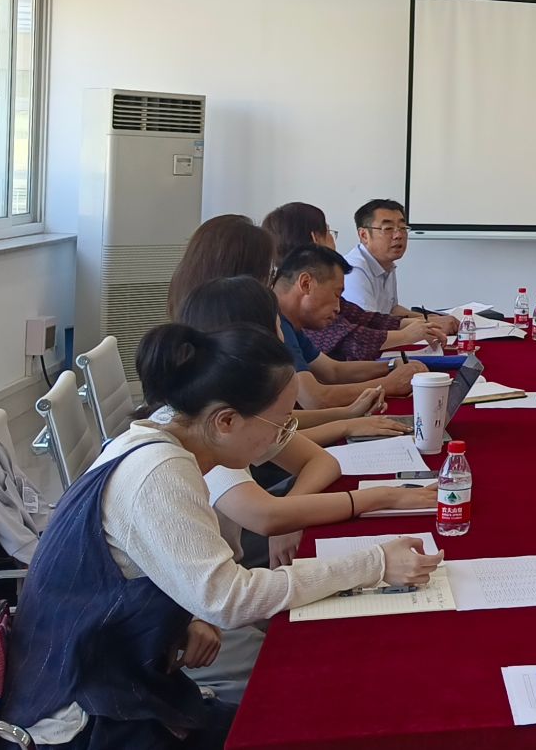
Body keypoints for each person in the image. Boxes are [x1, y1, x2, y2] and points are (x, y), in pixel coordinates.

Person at [1, 323, 442, 749]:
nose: (285, 435)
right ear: (226, 421)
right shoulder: (161, 473)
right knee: (317, 718)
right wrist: (374, 562)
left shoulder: (157, 436)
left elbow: (166, 571)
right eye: (281, 423)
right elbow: (231, 600)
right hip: (83, 721)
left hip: (123, 684)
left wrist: (190, 616)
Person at [176, 276, 434, 568]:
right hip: (232, 560)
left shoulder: (236, 403)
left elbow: (323, 462)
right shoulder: (210, 426)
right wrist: (384, 497)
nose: (284, 337)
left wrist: (289, 510)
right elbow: (265, 516)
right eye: (278, 326)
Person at [167, 214, 423, 410]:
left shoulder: (213, 315)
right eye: (266, 271)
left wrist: (388, 370)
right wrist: (387, 385)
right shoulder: (261, 319)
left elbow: (331, 372)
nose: (270, 280)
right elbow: (308, 403)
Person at [261, 202, 436, 359]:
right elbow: (353, 342)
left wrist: (419, 324)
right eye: (328, 232)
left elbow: (363, 317)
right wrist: (407, 335)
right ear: (316, 240)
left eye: (402, 227)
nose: (398, 235)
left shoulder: (294, 286)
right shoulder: (300, 304)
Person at [272, 243, 420, 395]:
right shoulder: (274, 320)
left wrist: (392, 365)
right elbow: (315, 398)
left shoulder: (291, 323)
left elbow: (333, 371)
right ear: (306, 284)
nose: (338, 308)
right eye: (336, 294)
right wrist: (389, 385)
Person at [341, 198, 460, 339]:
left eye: (403, 228)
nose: (398, 235)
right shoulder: (354, 270)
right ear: (364, 235)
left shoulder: (386, 263)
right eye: (388, 229)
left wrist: (429, 317)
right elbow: (370, 325)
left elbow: (391, 309)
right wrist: (428, 323)